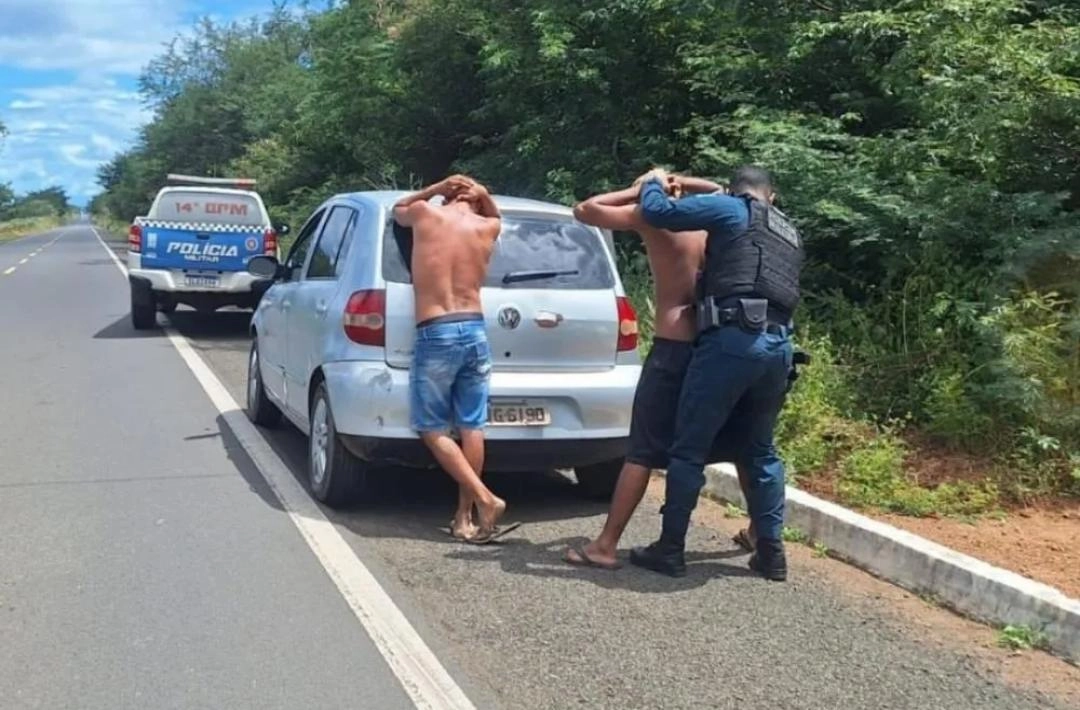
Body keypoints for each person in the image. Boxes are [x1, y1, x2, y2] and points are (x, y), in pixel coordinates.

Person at [562, 172, 759, 569]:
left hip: (673, 346)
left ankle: (605, 544)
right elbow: (723, 190)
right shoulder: (711, 221)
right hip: (713, 343)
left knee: (642, 448)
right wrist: (685, 182)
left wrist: (640, 188)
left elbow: (585, 210)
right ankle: (758, 529)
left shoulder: (651, 217)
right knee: (738, 442)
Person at [630, 165, 805, 581]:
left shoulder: (730, 209)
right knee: (760, 451)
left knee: (688, 448)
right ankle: (771, 554)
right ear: (772, 196)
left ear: (734, 190)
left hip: (730, 342)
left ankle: (670, 549)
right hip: (779, 349)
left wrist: (655, 180)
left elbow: (657, 213)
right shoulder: (790, 231)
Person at [393, 175, 518, 544]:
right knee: (471, 426)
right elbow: (499, 218)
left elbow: (397, 210)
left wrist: (434, 189)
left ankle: (485, 498)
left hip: (437, 330)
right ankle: (463, 518)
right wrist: (486, 195)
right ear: (479, 202)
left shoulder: (424, 215)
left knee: (431, 428)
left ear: (448, 196)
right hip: (475, 330)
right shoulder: (486, 227)